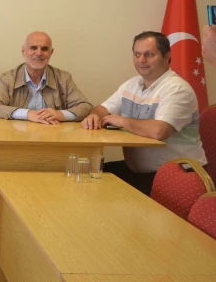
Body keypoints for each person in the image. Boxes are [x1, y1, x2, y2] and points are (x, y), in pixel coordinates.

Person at [82, 31, 207, 195]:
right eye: (137, 54)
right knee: (86, 175)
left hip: (178, 176)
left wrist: (122, 121)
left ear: (167, 56)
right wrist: (94, 116)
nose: (141, 60)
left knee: (97, 191)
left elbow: (159, 131)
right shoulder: (131, 84)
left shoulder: (177, 89)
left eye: (149, 54)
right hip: (139, 172)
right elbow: (102, 109)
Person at [0, 31, 92, 123]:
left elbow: (86, 107)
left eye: (44, 49)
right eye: (33, 48)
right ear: (23, 51)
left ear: (51, 53)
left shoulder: (64, 78)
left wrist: (60, 114)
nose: (39, 53)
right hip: (17, 137)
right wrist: (28, 114)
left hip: (54, 135)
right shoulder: (7, 79)